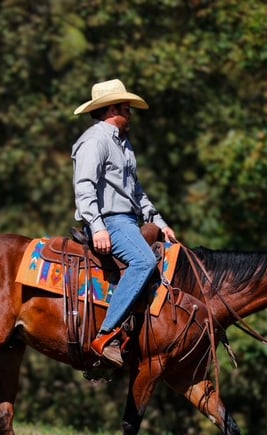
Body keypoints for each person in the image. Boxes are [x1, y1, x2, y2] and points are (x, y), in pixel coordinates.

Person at [71, 78, 177, 367]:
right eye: (126, 108)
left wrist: (159, 222)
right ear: (110, 110)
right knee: (144, 261)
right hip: (110, 222)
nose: (130, 113)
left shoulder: (124, 144)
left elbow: (136, 193)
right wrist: (97, 227)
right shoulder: (94, 141)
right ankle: (106, 335)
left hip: (128, 221)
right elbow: (84, 187)